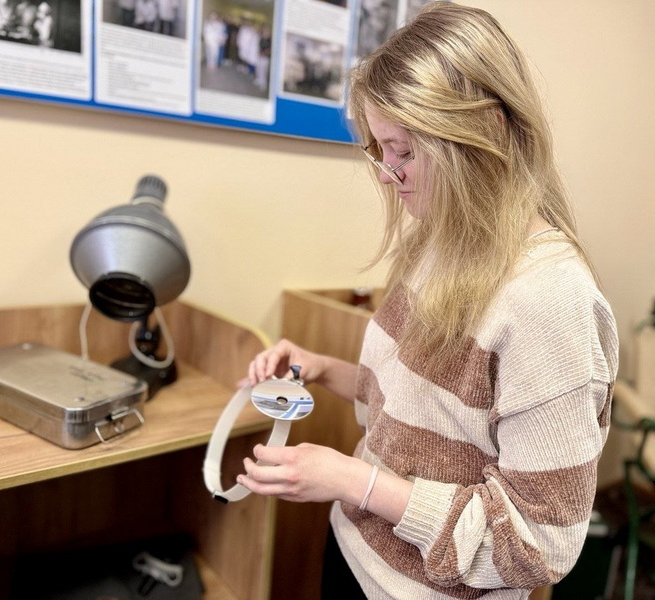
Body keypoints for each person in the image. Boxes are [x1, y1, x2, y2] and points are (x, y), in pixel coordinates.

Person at [238, 3, 619, 599]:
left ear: (480, 135)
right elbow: (422, 412)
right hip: (355, 554)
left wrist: (354, 481)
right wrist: (323, 369)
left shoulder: (550, 301)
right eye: (380, 150)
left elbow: (539, 546)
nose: (387, 174)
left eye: (404, 152)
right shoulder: (439, 243)